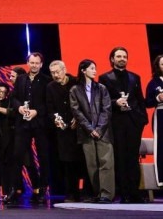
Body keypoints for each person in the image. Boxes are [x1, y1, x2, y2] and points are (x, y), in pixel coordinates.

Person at [98, 47, 148, 203]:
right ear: (112, 59)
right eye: (118, 56)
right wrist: (115, 102)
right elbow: (102, 101)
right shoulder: (104, 78)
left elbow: (140, 100)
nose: (122, 59)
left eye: (124, 56)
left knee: (133, 158)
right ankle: (124, 193)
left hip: (133, 122)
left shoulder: (135, 77)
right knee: (120, 158)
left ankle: (135, 193)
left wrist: (142, 119)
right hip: (116, 122)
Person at [8, 52, 51, 204]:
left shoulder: (47, 80)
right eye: (31, 62)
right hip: (23, 123)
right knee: (17, 156)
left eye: (37, 63)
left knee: (43, 157)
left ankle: (42, 189)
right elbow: (13, 98)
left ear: (41, 64)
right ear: (28, 63)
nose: (34, 65)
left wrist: (36, 111)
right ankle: (15, 189)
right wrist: (19, 108)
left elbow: (48, 103)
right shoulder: (20, 79)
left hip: (39, 123)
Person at [69, 59, 115, 203]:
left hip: (103, 133)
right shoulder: (75, 90)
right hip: (86, 134)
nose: (95, 71)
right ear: (83, 70)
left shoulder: (102, 88)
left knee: (106, 163)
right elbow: (76, 112)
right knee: (92, 165)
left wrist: (99, 129)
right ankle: (98, 193)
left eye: (95, 68)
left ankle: (107, 194)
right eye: (92, 68)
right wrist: (90, 129)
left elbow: (106, 110)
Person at [46, 60, 83, 202]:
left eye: (58, 72)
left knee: (82, 161)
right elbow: (50, 107)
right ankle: (71, 193)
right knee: (67, 162)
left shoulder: (75, 82)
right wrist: (55, 119)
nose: (56, 75)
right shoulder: (50, 87)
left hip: (79, 127)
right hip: (62, 130)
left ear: (64, 69)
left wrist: (78, 118)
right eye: (53, 73)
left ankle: (86, 192)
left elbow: (83, 103)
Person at [0, 83, 14, 200]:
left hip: (8, 137)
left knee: (7, 165)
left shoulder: (10, 101)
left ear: (7, 93)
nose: (0, 94)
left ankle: (8, 191)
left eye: (3, 92)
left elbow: (13, 112)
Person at [145, 54, 163, 187]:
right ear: (158, 67)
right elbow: (147, 103)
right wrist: (158, 98)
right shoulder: (154, 83)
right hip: (161, 115)